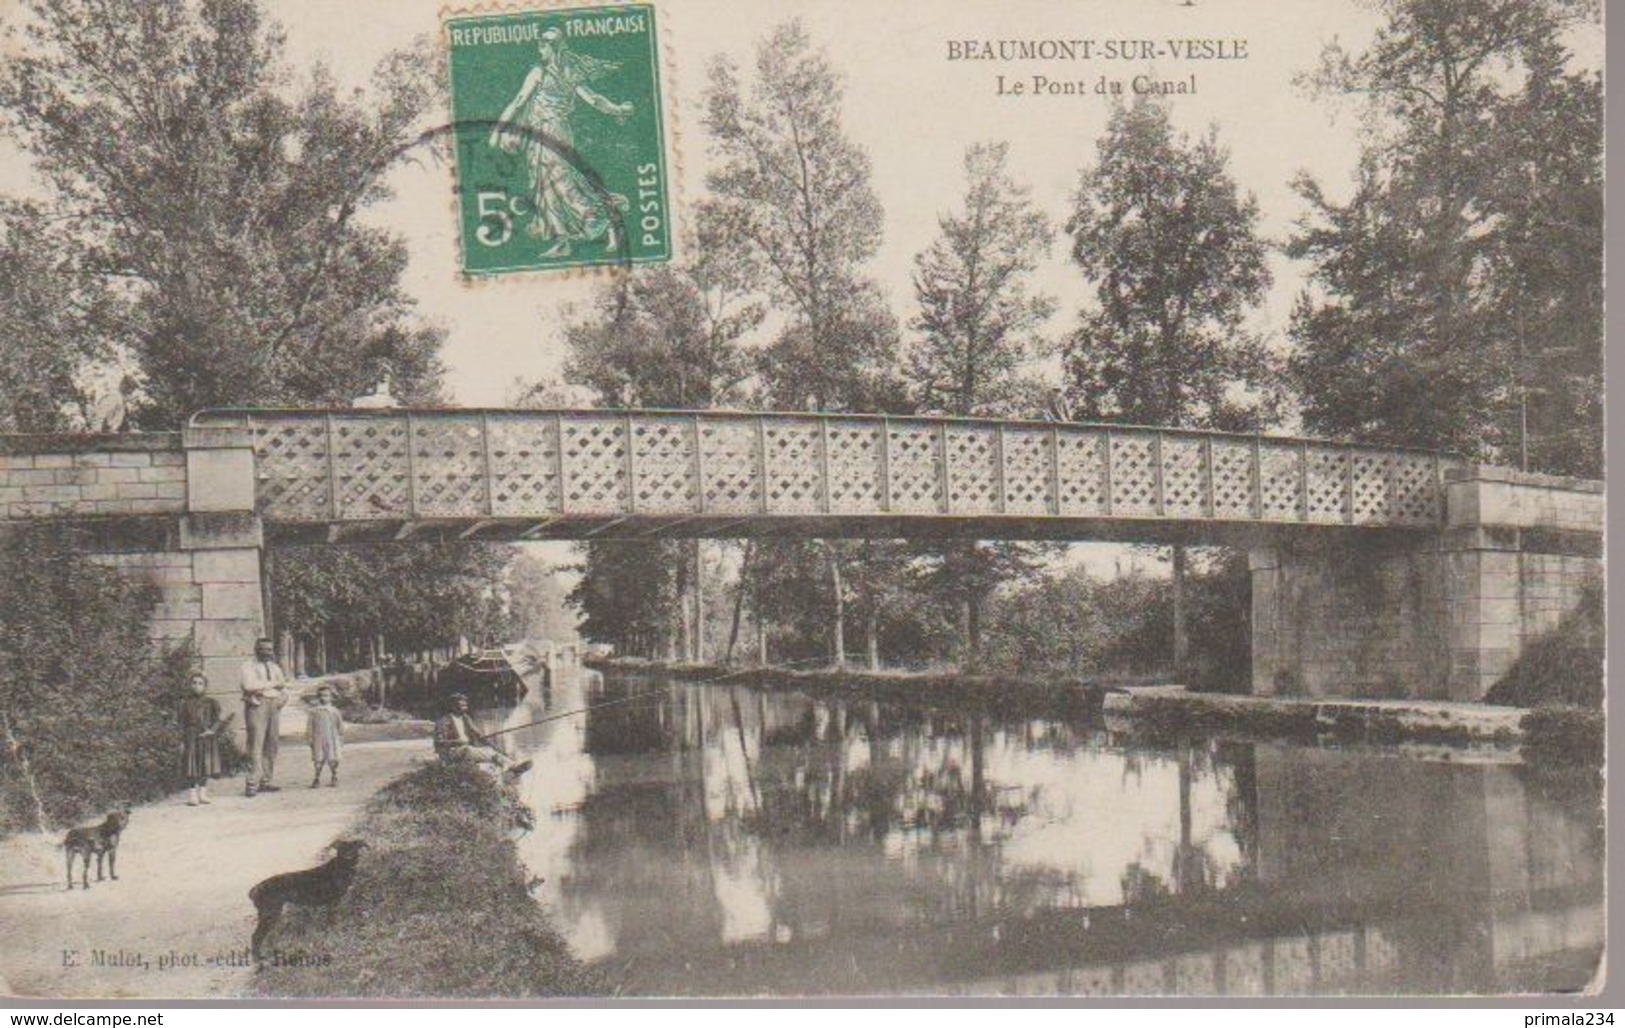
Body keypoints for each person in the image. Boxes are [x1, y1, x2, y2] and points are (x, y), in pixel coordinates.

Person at [487, 27, 634, 258]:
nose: (541, 48)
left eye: (544, 44)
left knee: (559, 183)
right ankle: (564, 239)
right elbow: (594, 100)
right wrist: (618, 109)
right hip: (548, 132)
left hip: (550, 132)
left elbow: (518, 102)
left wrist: (498, 130)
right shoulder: (567, 72)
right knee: (546, 186)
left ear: (550, 46)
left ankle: (598, 218)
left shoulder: (542, 72)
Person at [240, 637, 290, 797]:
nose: (267, 652)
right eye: (263, 649)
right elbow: (248, 686)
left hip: (273, 704)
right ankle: (252, 783)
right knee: (255, 743)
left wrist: (280, 699)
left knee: (272, 743)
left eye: (269, 649)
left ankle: (266, 781)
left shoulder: (274, 667)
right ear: (256, 649)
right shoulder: (247, 666)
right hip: (257, 705)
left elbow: (283, 684)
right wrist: (273, 684)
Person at [433, 694, 530, 776]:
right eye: (461, 705)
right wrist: (458, 742)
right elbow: (438, 742)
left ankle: (512, 767)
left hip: (465, 750)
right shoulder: (443, 721)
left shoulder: (465, 718)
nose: (465, 707)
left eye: (465, 705)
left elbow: (479, 736)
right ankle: (513, 767)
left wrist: (494, 747)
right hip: (451, 753)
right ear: (452, 706)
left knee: (488, 750)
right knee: (470, 750)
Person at [179, 672, 229, 806]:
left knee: (204, 764)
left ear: (205, 686)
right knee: (191, 764)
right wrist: (181, 740)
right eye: (194, 683)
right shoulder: (185, 703)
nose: (197, 686)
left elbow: (218, 720)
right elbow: (181, 723)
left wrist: (211, 730)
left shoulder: (211, 702)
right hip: (191, 736)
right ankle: (192, 794)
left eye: (200, 683)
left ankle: (203, 793)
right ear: (190, 685)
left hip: (206, 737)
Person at [306, 685, 344, 788]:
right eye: (322, 696)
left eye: (327, 696)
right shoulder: (314, 712)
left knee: (333, 758)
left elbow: (340, 725)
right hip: (318, 738)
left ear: (331, 697)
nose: (324, 698)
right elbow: (310, 726)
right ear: (318, 697)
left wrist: (340, 737)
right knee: (318, 759)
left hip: (332, 737)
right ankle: (317, 778)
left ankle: (334, 776)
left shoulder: (335, 711)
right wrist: (309, 738)